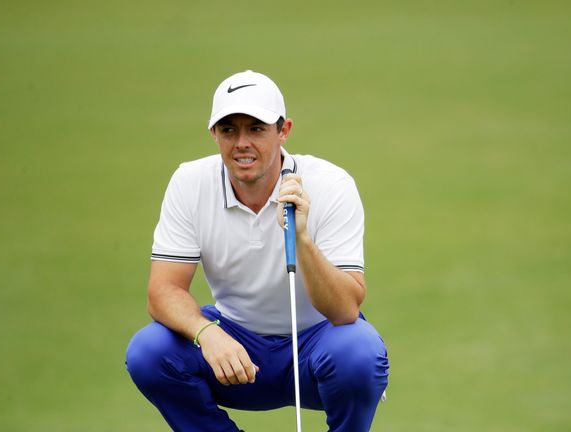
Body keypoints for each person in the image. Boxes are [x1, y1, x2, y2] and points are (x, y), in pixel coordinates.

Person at [126, 70, 389, 432]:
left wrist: (304, 241)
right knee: (149, 352)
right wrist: (208, 334)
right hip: (234, 348)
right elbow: (163, 291)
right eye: (229, 130)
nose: (241, 143)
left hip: (318, 349)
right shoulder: (189, 183)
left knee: (359, 351)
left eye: (256, 128)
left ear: (284, 131)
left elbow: (346, 310)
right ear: (213, 134)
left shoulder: (331, 184)